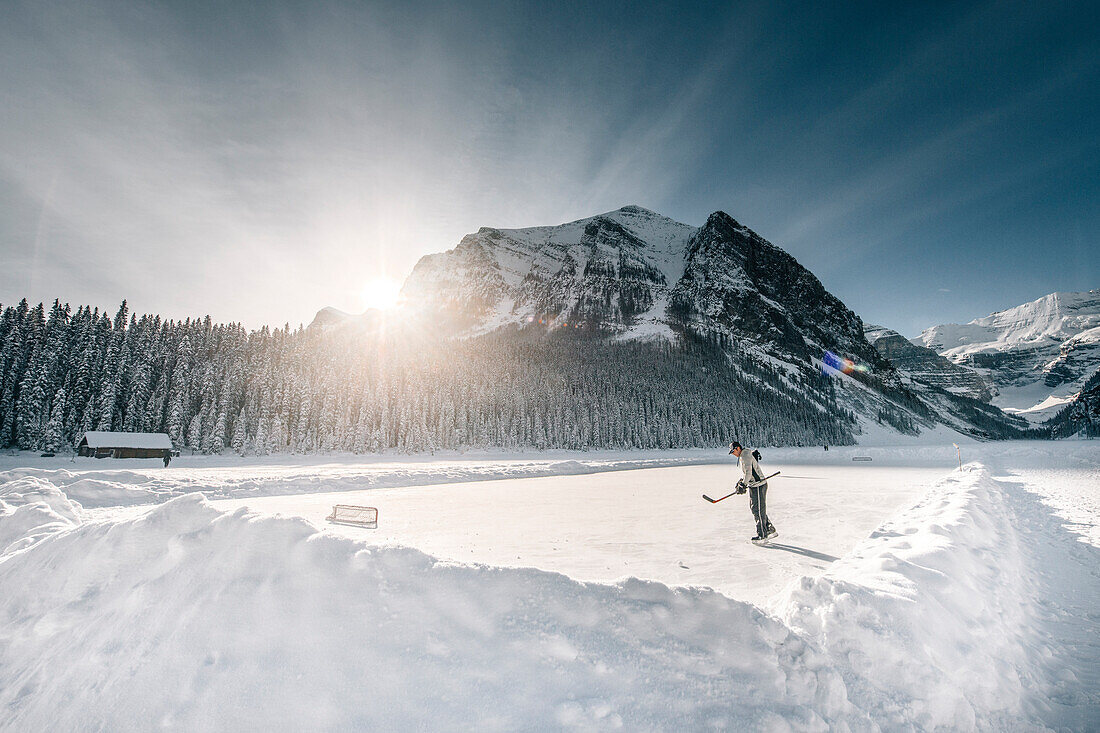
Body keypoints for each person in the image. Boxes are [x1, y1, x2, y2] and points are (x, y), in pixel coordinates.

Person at [730, 441, 776, 544]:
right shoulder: (743, 455)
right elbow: (747, 473)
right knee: (755, 508)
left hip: (759, 486)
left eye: (733, 451)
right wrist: (742, 482)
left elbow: (749, 473)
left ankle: (762, 535)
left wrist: (744, 484)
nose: (733, 454)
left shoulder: (745, 455)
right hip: (754, 486)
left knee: (758, 510)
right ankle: (769, 528)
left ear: (737, 448)